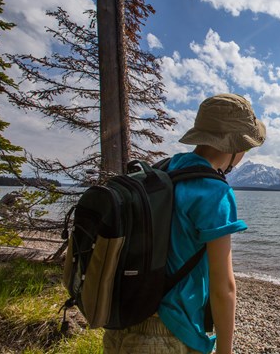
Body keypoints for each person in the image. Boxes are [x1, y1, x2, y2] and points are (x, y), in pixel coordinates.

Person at [103, 93, 266, 354]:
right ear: (235, 145)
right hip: (170, 333)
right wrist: (225, 350)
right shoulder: (214, 191)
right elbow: (223, 286)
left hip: (122, 321)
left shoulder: (164, 170)